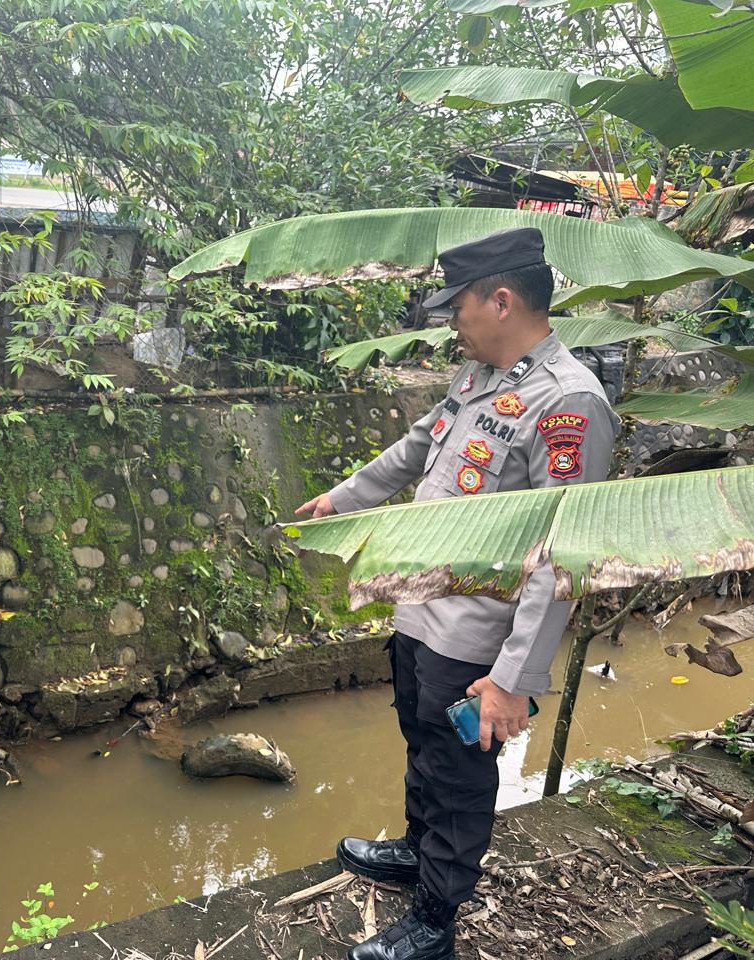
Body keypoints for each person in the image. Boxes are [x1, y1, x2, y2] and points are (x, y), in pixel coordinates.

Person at [296, 227, 618, 960]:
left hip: (477, 639)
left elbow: (560, 558)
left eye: (458, 307)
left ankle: (435, 920)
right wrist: (343, 499)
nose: (451, 322)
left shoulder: (568, 404)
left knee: (461, 772)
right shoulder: (476, 380)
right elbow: (415, 447)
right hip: (422, 613)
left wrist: (512, 680)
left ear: (500, 301)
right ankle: (416, 851)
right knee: (423, 743)